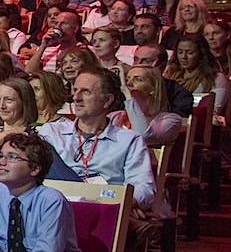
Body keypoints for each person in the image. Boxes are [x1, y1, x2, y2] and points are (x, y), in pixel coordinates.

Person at [37, 69, 156, 212]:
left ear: (107, 100)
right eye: (75, 90)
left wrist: (125, 204)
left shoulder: (129, 140)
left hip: (105, 207)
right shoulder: (52, 132)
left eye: (86, 92)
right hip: (55, 206)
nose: (76, 97)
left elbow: (144, 187)